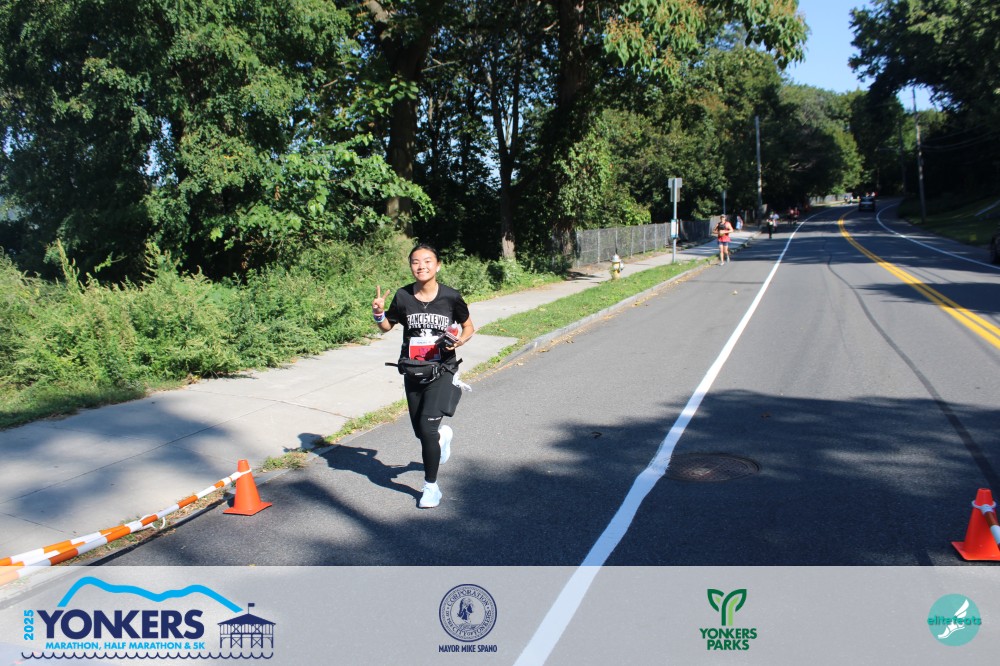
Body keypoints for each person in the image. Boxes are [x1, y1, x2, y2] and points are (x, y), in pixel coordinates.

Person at [372, 244, 475, 508]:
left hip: (442, 369)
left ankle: (431, 487)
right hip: (413, 370)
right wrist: (378, 313)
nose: (421, 266)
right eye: (416, 262)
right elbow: (386, 327)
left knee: (427, 429)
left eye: (428, 261)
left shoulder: (451, 297)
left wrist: (460, 341)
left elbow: (468, 327)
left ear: (437, 265)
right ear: (411, 267)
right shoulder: (403, 296)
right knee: (421, 431)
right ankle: (442, 438)